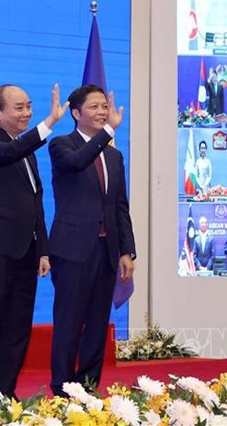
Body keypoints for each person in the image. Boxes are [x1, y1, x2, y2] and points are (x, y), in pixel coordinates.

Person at [0, 83, 68, 399]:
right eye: (19, 107)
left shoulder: (26, 152)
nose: (27, 112)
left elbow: (35, 201)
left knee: (17, 328)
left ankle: (4, 394)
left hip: (25, 253)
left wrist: (43, 250)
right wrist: (48, 124)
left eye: (29, 106)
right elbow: (9, 152)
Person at [48, 84, 136, 397]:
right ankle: (61, 388)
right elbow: (78, 162)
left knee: (98, 324)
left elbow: (120, 206)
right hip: (72, 250)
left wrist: (128, 250)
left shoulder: (114, 156)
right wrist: (109, 129)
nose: (102, 113)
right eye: (95, 107)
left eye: (104, 107)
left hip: (107, 250)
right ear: (75, 112)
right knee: (69, 321)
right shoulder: (61, 145)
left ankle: (87, 388)